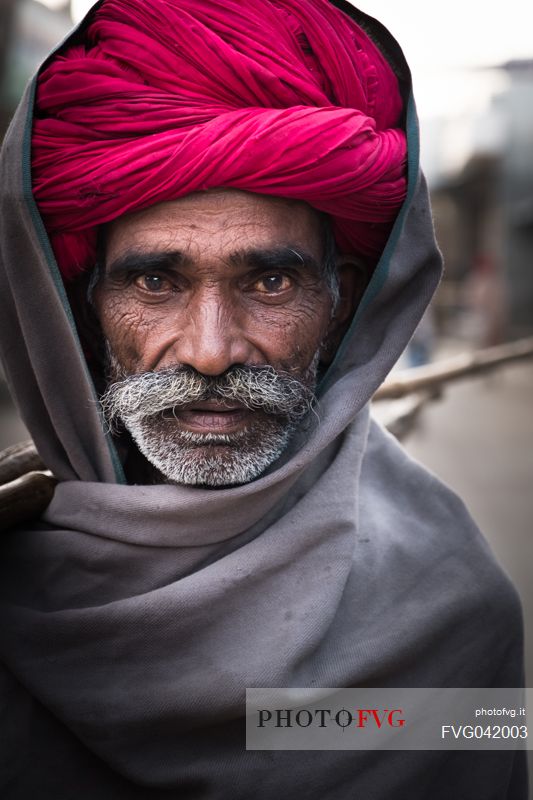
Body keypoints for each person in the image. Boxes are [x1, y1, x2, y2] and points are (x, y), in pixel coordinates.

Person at [0, 0, 526, 797]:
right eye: (155, 280)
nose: (212, 350)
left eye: (270, 281)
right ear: (81, 304)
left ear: (340, 301)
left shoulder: (448, 609)